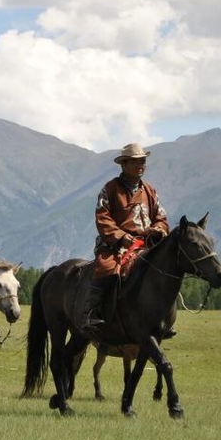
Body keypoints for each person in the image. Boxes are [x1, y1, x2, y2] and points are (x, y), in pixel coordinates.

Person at [83, 142, 170, 332]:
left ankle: (164, 318)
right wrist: (121, 237)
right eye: (135, 162)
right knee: (107, 267)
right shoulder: (110, 189)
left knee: (167, 267)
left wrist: (157, 228)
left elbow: (161, 217)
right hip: (115, 245)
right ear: (124, 164)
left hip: (146, 243)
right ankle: (93, 313)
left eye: (143, 161)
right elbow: (103, 218)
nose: (141, 165)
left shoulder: (150, 190)